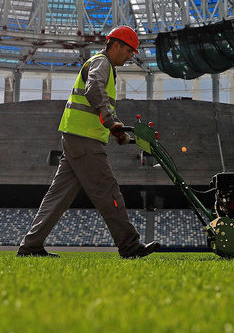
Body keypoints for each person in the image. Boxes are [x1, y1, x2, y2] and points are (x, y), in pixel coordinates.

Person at [17, 26, 160, 258]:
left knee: (58, 195)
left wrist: (118, 132)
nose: (130, 56)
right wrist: (109, 120)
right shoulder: (101, 63)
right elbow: (94, 89)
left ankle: (31, 246)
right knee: (109, 191)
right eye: (129, 50)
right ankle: (130, 246)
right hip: (85, 140)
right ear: (115, 45)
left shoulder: (103, 65)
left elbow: (100, 105)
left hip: (76, 136)